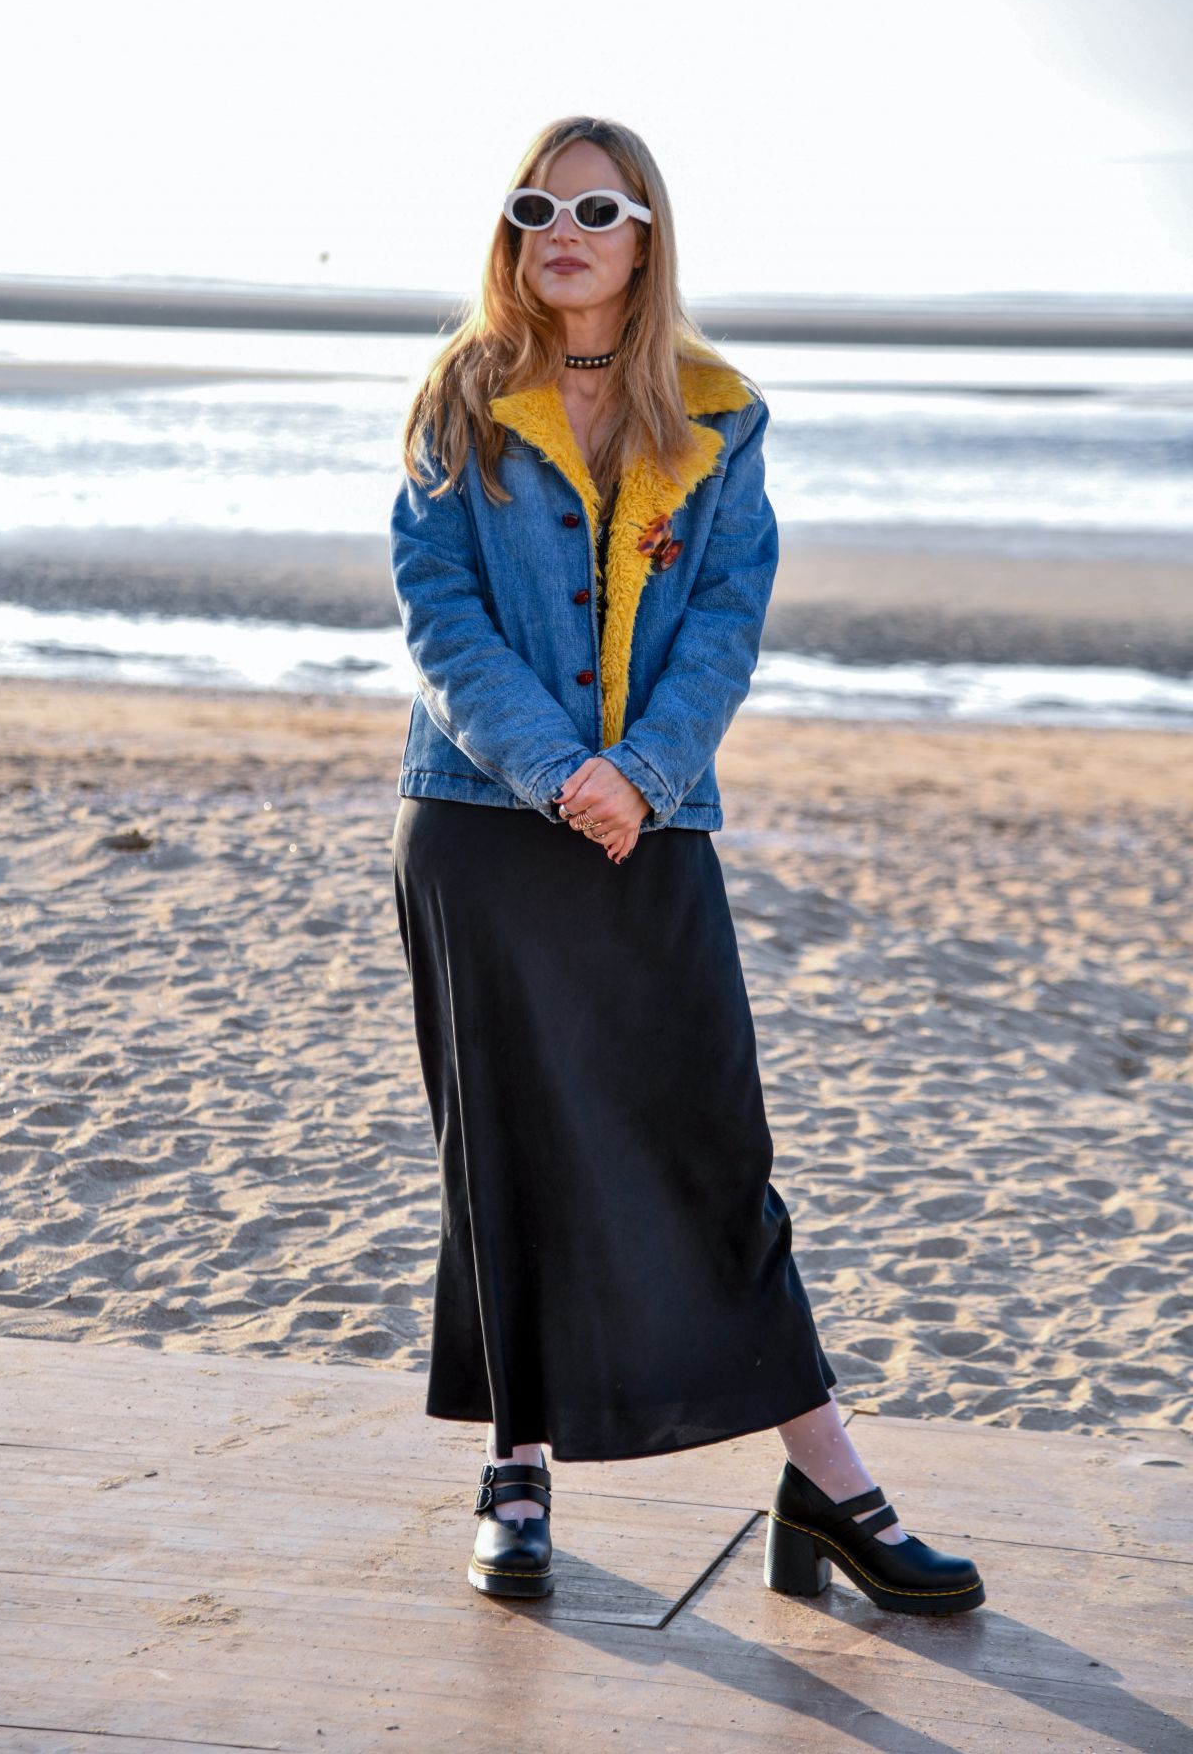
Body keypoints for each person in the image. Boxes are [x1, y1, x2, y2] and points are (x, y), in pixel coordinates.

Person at [389, 115, 984, 1617]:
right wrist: (556, 771)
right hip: (479, 826)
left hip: (656, 827)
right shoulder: (459, 402)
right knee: (504, 1149)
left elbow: (727, 621)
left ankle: (827, 1481)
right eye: (537, 206)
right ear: (512, 234)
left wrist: (639, 779)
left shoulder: (721, 415)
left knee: (713, 1150)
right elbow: (440, 617)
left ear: (648, 233)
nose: (562, 229)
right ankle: (516, 1468)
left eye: (598, 205)